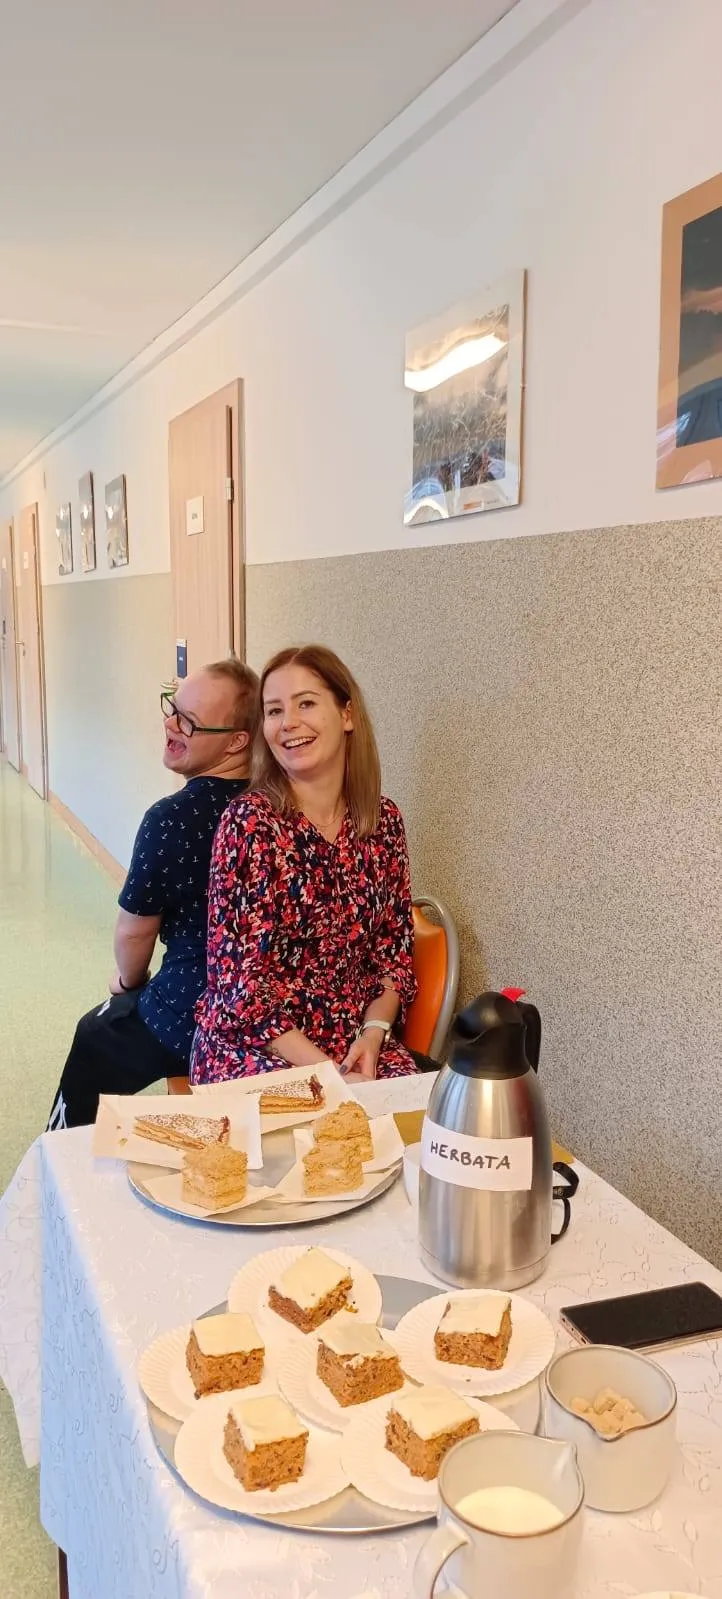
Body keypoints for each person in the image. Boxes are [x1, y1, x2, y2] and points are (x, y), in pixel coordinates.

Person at [191, 644, 420, 1085]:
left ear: (347, 714)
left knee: (412, 1117)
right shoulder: (249, 824)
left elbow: (393, 955)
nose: (288, 723)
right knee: (316, 1121)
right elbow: (239, 988)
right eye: (274, 711)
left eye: (306, 704)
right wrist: (330, 1075)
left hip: (356, 1041)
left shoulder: (383, 821)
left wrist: (374, 1033)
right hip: (257, 1043)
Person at [46, 659, 259, 1128]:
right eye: (172, 708)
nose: (170, 725)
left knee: (94, 1035)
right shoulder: (271, 804)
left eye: (189, 722)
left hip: (196, 1012)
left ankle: (62, 1155)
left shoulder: (171, 819)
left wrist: (127, 983)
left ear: (236, 742)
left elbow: (134, 934)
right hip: (269, 1008)